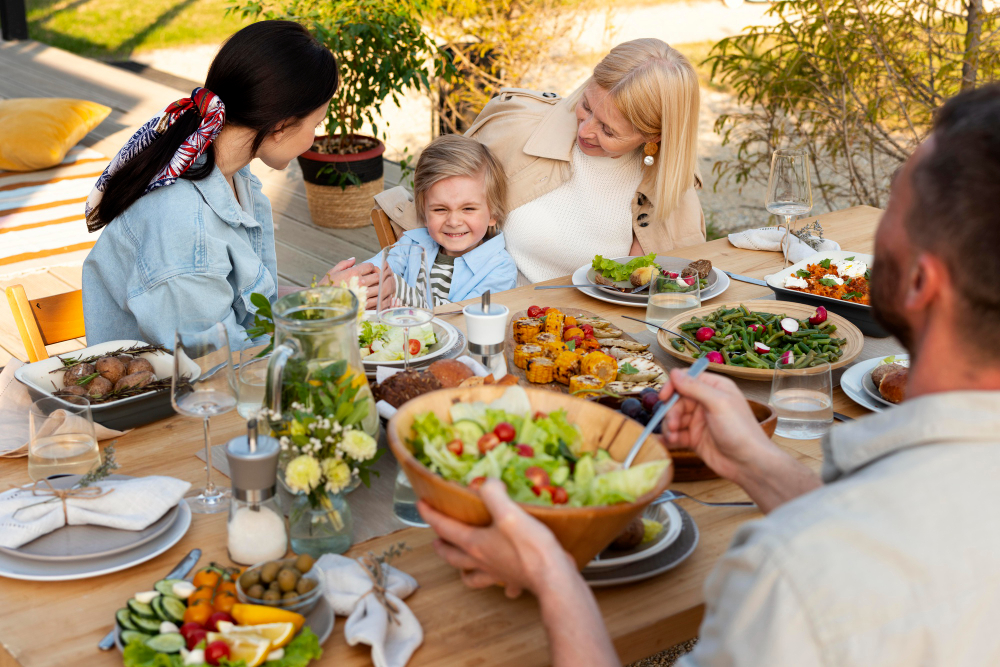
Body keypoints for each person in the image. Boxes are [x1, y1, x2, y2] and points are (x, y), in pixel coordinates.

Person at [418, 84, 1000, 665]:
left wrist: (551, 570)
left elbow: (848, 550)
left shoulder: (792, 575)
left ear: (923, 283)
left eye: (892, 209)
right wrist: (756, 461)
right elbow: (881, 536)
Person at [82, 21, 390, 350]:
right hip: (176, 394)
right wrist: (320, 308)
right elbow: (213, 366)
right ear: (282, 126)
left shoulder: (231, 174)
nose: (314, 138)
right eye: (316, 123)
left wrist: (323, 296)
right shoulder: (184, 228)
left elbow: (248, 309)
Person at [375, 38, 704, 285]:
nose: (585, 131)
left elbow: (670, 291)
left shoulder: (672, 189)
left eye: (608, 130)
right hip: (490, 307)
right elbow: (440, 201)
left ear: (654, 136)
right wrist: (392, 273)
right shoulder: (517, 129)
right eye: (587, 106)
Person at [366, 134, 516, 305]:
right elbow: (374, 270)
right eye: (440, 209)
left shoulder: (500, 269)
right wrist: (359, 278)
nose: (453, 222)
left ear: (494, 214)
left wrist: (396, 289)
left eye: (468, 209)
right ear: (424, 212)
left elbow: (462, 318)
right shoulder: (411, 244)